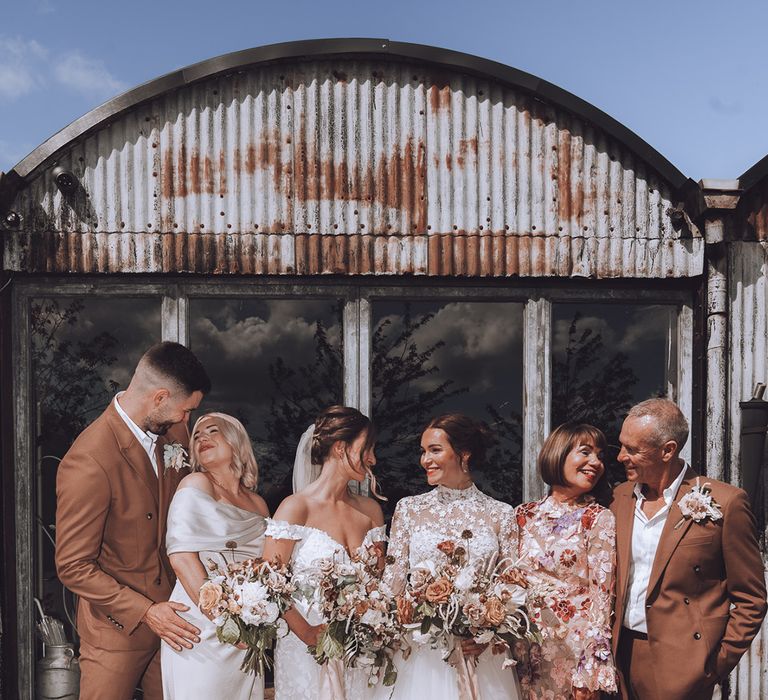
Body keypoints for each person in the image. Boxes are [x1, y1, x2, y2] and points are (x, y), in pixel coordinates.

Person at [55, 341, 211, 700]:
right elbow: (73, 565)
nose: (188, 421)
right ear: (159, 398)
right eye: (186, 410)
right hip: (115, 633)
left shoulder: (174, 433)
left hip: (179, 624)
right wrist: (146, 612)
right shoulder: (89, 460)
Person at [611, 398, 767, 700]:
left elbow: (751, 598)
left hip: (682, 665)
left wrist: (714, 665)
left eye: (632, 449)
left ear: (667, 450)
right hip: (618, 658)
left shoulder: (727, 502)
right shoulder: (619, 498)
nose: (620, 457)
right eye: (621, 445)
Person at [378, 414, 522, 700]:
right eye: (423, 451)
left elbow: (513, 587)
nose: (425, 460)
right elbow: (393, 585)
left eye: (435, 450)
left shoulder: (501, 514)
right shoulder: (408, 510)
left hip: (481, 656)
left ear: (464, 453)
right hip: (422, 655)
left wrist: (489, 633)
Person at [262, 405, 386, 700]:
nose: (373, 459)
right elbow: (270, 583)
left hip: (361, 649)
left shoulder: (371, 511)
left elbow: (379, 583)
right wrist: (307, 633)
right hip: (306, 647)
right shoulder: (296, 507)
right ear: (341, 448)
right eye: (366, 448)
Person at [161, 412, 270, 699]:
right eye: (197, 435)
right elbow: (182, 558)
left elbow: (267, 568)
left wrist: (253, 619)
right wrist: (226, 622)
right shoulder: (196, 483)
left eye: (213, 431)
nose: (202, 439)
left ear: (236, 442)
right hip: (199, 626)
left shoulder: (257, 503)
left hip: (248, 624)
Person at [513, 423, 618, 700]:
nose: (595, 463)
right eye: (585, 452)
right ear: (558, 454)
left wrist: (590, 669)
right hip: (523, 647)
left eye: (600, 456)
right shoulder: (523, 515)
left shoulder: (596, 518)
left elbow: (601, 598)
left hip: (572, 653)